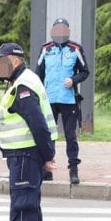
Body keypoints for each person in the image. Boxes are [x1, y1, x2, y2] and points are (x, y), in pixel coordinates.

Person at [0, 43, 57, 221]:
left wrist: (47, 155)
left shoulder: (23, 86)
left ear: (15, 61)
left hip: (24, 156)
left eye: (2, 60)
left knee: (22, 212)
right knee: (31, 210)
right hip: (25, 156)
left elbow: (38, 124)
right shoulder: (22, 81)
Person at [36, 18, 90, 184]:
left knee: (70, 136)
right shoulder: (45, 49)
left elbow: (85, 72)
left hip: (68, 99)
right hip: (49, 99)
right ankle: (47, 170)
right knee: (48, 135)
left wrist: (73, 80)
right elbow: (38, 73)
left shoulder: (76, 49)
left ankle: (73, 170)